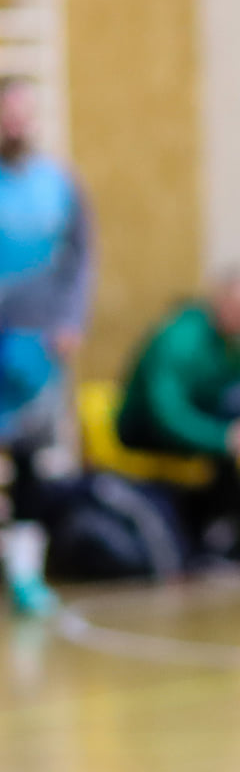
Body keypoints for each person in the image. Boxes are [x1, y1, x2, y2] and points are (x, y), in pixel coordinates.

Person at [0, 75, 92, 615]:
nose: (16, 122)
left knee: (32, 461)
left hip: (36, 345)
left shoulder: (59, 183)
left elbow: (81, 258)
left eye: (23, 112)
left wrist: (69, 320)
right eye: (7, 112)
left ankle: (25, 573)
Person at [115, 267, 240, 560]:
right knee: (239, 409)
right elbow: (166, 416)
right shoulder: (180, 339)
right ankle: (225, 533)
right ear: (219, 300)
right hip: (146, 433)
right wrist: (225, 438)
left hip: (206, 430)